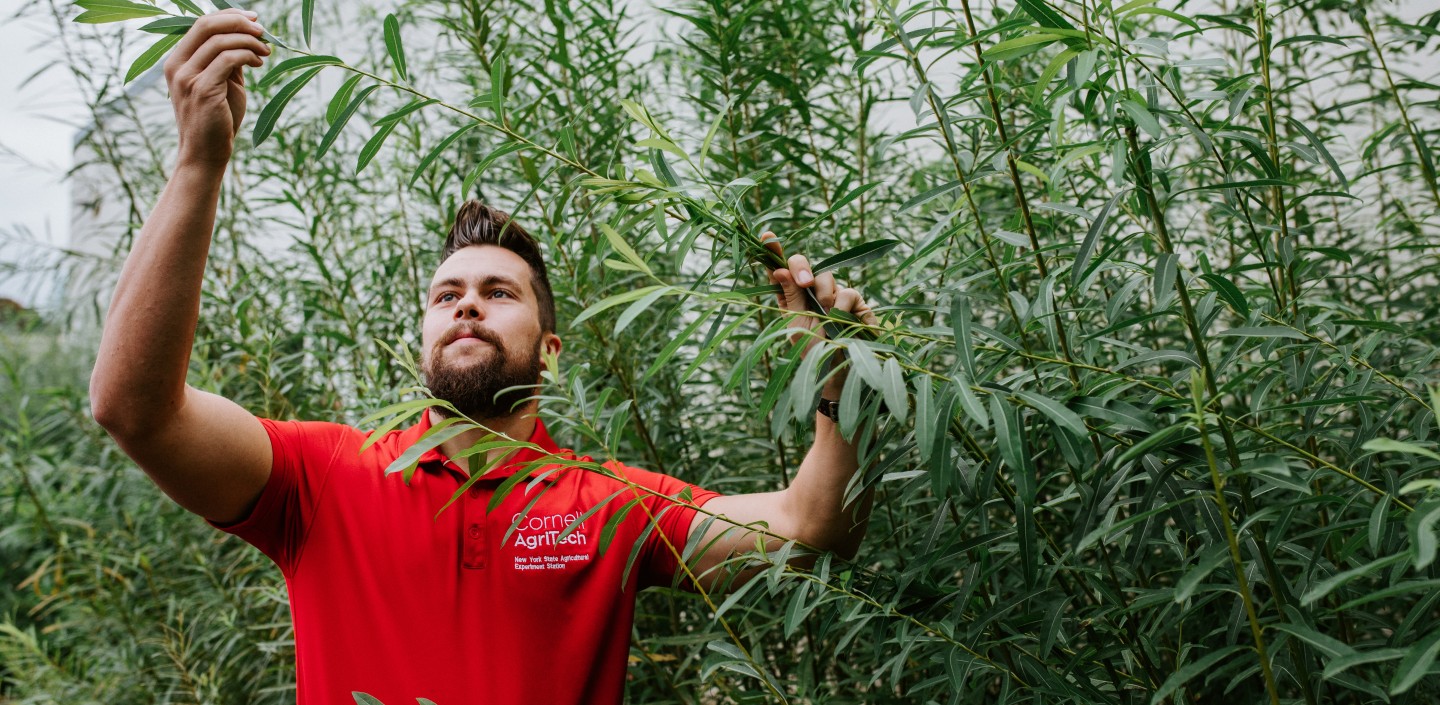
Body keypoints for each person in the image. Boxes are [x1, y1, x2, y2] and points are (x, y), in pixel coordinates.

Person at [89, 9, 881, 705]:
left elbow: (809, 528)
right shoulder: (323, 477)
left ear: (553, 350)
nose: (466, 302)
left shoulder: (605, 505)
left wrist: (841, 384)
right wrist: (199, 162)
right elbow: (135, 409)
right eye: (446, 295)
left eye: (500, 292)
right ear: (424, 338)